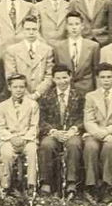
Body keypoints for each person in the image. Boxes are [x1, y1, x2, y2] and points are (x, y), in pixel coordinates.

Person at [36, 66, 84, 196]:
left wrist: (73, 129)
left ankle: (71, 183)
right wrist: (53, 131)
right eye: (58, 78)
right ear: (53, 79)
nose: (62, 81)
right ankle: (46, 183)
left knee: (74, 145)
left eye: (65, 77)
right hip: (53, 133)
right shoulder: (46, 96)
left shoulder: (79, 95)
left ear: (70, 77)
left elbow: (83, 117)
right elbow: (41, 119)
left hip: (71, 132)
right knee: (46, 145)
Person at [82, 64, 112, 198]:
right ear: (97, 79)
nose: (106, 80)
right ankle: (91, 185)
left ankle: (109, 185)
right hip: (95, 133)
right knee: (90, 146)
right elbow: (88, 120)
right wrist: (100, 134)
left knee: (109, 146)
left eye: (109, 77)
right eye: (102, 77)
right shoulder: (91, 96)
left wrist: (107, 131)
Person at [0, 74, 40, 193]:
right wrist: (11, 138)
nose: (19, 90)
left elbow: (34, 125)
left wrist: (25, 138)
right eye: (15, 87)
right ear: (9, 88)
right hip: (9, 140)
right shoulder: (2, 106)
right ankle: (5, 186)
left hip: (27, 139)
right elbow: (0, 127)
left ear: (25, 88)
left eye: (21, 87)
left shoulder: (33, 104)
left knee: (32, 151)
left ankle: (31, 185)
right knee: (6, 154)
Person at [5, 15, 55, 99]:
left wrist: (37, 93)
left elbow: (49, 75)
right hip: (19, 96)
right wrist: (25, 94)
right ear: (22, 30)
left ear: (38, 29)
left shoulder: (47, 50)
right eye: (27, 29)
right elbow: (11, 75)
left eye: (34, 29)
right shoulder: (12, 50)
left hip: (42, 96)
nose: (31, 32)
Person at [54, 12, 100, 93]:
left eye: (77, 24)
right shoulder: (58, 47)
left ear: (82, 26)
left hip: (87, 90)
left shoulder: (93, 46)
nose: (74, 27)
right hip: (66, 90)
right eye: (71, 24)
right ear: (66, 27)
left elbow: (96, 72)